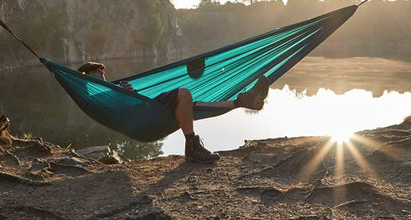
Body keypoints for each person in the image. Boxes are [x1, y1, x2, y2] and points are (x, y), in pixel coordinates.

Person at [78, 61, 269, 164]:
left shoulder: (114, 89)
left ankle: (243, 101)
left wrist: (128, 92)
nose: (103, 76)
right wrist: (123, 94)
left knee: (192, 105)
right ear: (86, 80)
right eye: (97, 74)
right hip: (145, 119)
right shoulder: (98, 97)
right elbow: (124, 110)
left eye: (103, 73)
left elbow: (132, 104)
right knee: (183, 94)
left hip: (151, 112)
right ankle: (192, 147)